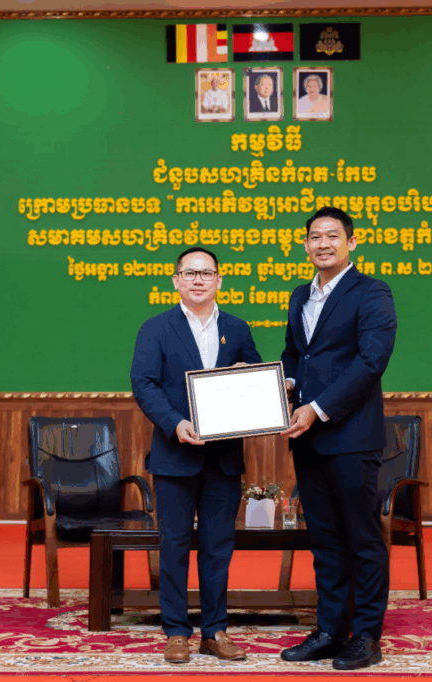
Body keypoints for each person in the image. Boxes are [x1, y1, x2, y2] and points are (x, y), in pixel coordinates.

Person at [278, 207, 397, 671]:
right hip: (308, 439)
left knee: (363, 539)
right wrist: (282, 387)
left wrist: (317, 408)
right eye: (314, 236)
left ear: (351, 242)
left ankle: (365, 636)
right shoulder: (299, 295)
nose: (323, 243)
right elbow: (295, 354)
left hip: (351, 435)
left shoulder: (372, 292)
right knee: (325, 541)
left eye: (332, 235)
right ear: (305, 245)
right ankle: (330, 630)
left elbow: (371, 362)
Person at [130, 247, 262, 665]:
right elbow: (144, 383)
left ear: (219, 280)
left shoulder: (237, 328)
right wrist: (175, 423)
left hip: (224, 459)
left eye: (207, 273)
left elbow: (256, 379)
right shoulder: (156, 328)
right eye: (190, 273)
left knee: (218, 548)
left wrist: (248, 378)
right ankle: (175, 632)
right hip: (175, 455)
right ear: (176, 281)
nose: (199, 280)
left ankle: (215, 631)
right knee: (173, 546)